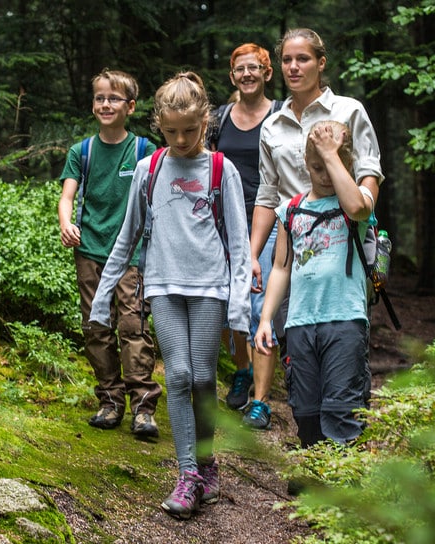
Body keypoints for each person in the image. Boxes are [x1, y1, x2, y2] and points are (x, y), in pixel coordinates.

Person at [90, 72, 251, 520]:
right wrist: (104, 296)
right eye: (171, 131)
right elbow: (128, 236)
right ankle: (188, 475)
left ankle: (206, 460)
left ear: (205, 122)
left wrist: (238, 307)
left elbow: (238, 244)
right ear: (159, 124)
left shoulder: (222, 169)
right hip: (162, 285)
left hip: (209, 288)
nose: (181, 140)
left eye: (190, 130)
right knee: (178, 375)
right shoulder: (150, 168)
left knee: (202, 378)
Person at [251, 28, 384, 442]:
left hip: (343, 231)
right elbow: (268, 193)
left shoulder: (348, 110)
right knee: (302, 363)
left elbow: (368, 176)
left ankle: (341, 465)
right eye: (287, 59)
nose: (294, 67)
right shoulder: (272, 125)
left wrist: (355, 196)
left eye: (303, 59)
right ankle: (312, 451)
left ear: (321, 62)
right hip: (293, 230)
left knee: (341, 361)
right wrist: (251, 253)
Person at [253, 120, 373, 447]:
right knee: (305, 408)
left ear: (347, 165)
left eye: (332, 167)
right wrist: (265, 320)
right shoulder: (290, 210)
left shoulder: (357, 200)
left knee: (342, 405)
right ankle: (314, 467)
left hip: (344, 319)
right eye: (317, 167)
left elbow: (359, 208)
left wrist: (333, 156)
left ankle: (341, 484)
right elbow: (280, 268)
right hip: (301, 323)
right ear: (306, 165)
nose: (324, 175)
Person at [57, 69, 162, 438]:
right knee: (96, 327)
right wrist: (66, 223)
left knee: (132, 326)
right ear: (93, 104)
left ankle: (143, 407)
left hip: (131, 255)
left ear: (130, 106)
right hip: (89, 251)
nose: (106, 104)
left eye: (114, 99)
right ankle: (110, 400)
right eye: (100, 98)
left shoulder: (144, 150)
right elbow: (67, 196)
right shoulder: (81, 151)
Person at [206, 43, 282, 429]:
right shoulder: (219, 118)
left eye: (255, 68)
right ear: (232, 75)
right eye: (240, 69)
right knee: (223, 305)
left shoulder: (282, 115)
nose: (247, 74)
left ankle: (261, 401)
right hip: (222, 222)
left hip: (268, 222)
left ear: (267, 73)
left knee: (258, 308)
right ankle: (242, 368)